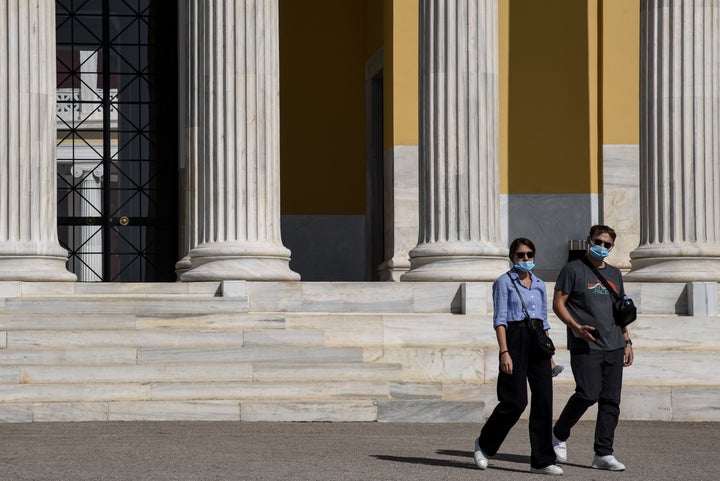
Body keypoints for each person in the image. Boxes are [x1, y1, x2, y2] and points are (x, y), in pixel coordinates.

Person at [473, 238, 563, 476]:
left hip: (538, 342)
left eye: (529, 255)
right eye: (520, 255)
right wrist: (504, 351)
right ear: (512, 257)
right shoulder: (504, 282)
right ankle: (484, 445)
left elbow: (543, 321)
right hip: (514, 338)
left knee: (544, 401)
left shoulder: (540, 284)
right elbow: (500, 320)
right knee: (515, 401)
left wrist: (550, 355)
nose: (525, 259)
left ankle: (542, 460)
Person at [551, 225, 634, 471]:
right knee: (588, 393)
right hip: (585, 345)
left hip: (614, 345)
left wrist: (627, 341)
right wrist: (575, 326)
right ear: (589, 241)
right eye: (598, 242)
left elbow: (621, 313)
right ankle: (558, 433)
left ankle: (603, 454)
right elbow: (558, 303)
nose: (602, 247)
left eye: (607, 244)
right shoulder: (573, 269)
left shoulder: (615, 274)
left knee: (611, 401)